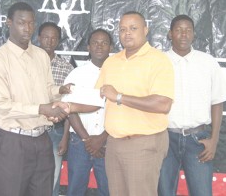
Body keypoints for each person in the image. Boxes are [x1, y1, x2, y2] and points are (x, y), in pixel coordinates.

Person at [54, 11, 175, 196]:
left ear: (146, 30)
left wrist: (119, 97)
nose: (127, 33)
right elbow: (97, 99)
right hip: (114, 143)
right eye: (122, 29)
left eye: (133, 28)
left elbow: (163, 104)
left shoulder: (158, 60)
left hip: (143, 142)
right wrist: (70, 107)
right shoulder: (112, 62)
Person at [0, 2, 70, 196]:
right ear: (9, 23)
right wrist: (42, 109)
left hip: (42, 139)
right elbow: (1, 105)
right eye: (21, 23)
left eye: (31, 23)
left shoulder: (41, 55)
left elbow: (48, 89)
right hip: (12, 141)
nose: (28, 28)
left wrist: (60, 90)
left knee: (43, 192)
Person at [158, 15, 226, 196]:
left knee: (202, 192)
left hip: (198, 140)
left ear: (194, 34)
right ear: (169, 34)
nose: (184, 34)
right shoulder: (158, 62)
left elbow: (217, 102)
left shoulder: (208, 62)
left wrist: (214, 140)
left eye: (188, 30)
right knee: (164, 192)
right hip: (166, 139)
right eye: (179, 30)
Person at [63, 28, 112, 196]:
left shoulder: (119, 75)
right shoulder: (76, 74)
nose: (99, 46)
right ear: (88, 47)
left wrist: (102, 138)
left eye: (104, 43)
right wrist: (87, 140)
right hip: (79, 142)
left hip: (108, 142)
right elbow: (69, 110)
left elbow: (122, 113)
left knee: (108, 190)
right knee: (75, 190)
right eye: (95, 43)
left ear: (111, 47)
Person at [38, 22, 74, 196]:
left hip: (56, 130)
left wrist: (65, 136)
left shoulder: (67, 68)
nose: (49, 41)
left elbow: (70, 105)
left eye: (54, 38)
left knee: (53, 176)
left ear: (59, 41)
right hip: (31, 127)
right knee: (29, 174)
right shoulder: (27, 65)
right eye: (45, 36)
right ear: (38, 38)